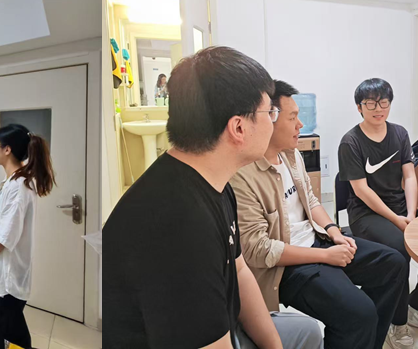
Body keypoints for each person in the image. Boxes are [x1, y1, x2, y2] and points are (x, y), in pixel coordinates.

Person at [103, 46, 322, 349]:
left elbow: (239, 270)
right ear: (238, 127)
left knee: (308, 331)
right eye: (269, 112)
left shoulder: (214, 182)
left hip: (225, 325)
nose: (274, 121)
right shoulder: (177, 226)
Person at [232, 80, 407, 349]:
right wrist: (326, 256)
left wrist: (334, 233)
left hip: (318, 240)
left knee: (393, 264)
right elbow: (259, 250)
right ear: (269, 120)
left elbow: (311, 201)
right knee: (359, 313)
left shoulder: (291, 155)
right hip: (287, 266)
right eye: (293, 117)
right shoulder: (243, 174)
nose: (300, 125)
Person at [337, 78, 418, 349]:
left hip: (401, 209)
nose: (379, 108)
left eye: (384, 102)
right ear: (359, 107)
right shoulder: (350, 142)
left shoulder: (399, 133)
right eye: (371, 103)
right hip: (366, 214)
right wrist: (397, 220)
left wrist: (410, 215)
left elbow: (409, 176)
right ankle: (396, 322)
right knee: (400, 249)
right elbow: (362, 191)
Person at [0, 124, 55, 349]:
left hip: (5, 268)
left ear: (7, 149)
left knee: (0, 325)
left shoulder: (20, 187)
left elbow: (4, 237)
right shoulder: (10, 181)